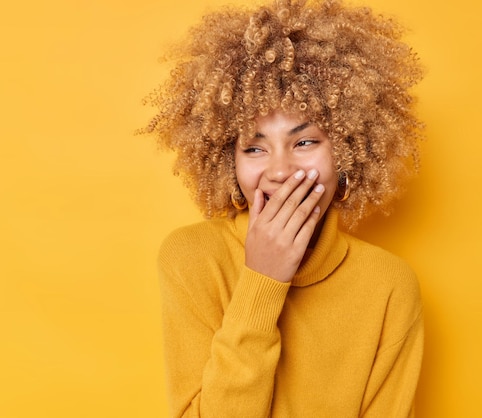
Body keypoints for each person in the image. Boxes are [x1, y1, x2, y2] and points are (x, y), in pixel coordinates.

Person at [142, 0, 424, 416]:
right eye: (254, 148)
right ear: (228, 163)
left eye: (305, 142)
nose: (281, 171)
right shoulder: (192, 259)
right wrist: (262, 281)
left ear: (346, 152)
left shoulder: (388, 285)